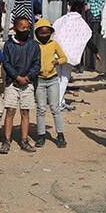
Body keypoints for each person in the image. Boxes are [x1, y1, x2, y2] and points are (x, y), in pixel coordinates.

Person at [0, 16, 41, 154]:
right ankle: (6, 141)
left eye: (28, 28)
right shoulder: (9, 45)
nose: (26, 30)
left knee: (25, 112)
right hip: (12, 83)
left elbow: (37, 64)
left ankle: (24, 140)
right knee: (10, 111)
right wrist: (16, 77)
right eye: (22, 28)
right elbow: (6, 63)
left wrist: (27, 77)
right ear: (15, 28)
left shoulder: (34, 46)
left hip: (27, 84)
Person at [53, 1, 101, 111]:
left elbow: (53, 30)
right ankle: (58, 104)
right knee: (64, 78)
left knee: (57, 78)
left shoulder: (62, 20)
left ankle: (59, 101)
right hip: (69, 55)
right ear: (82, 10)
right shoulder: (81, 23)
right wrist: (96, 52)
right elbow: (87, 39)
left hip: (57, 52)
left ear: (70, 8)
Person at [34, 18, 69, 148]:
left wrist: (57, 62)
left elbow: (64, 58)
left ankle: (60, 135)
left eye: (46, 33)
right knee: (41, 109)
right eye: (41, 33)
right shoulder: (34, 45)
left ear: (50, 33)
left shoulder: (54, 44)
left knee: (55, 108)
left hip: (53, 79)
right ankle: (41, 135)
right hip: (39, 80)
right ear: (37, 33)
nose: (44, 35)